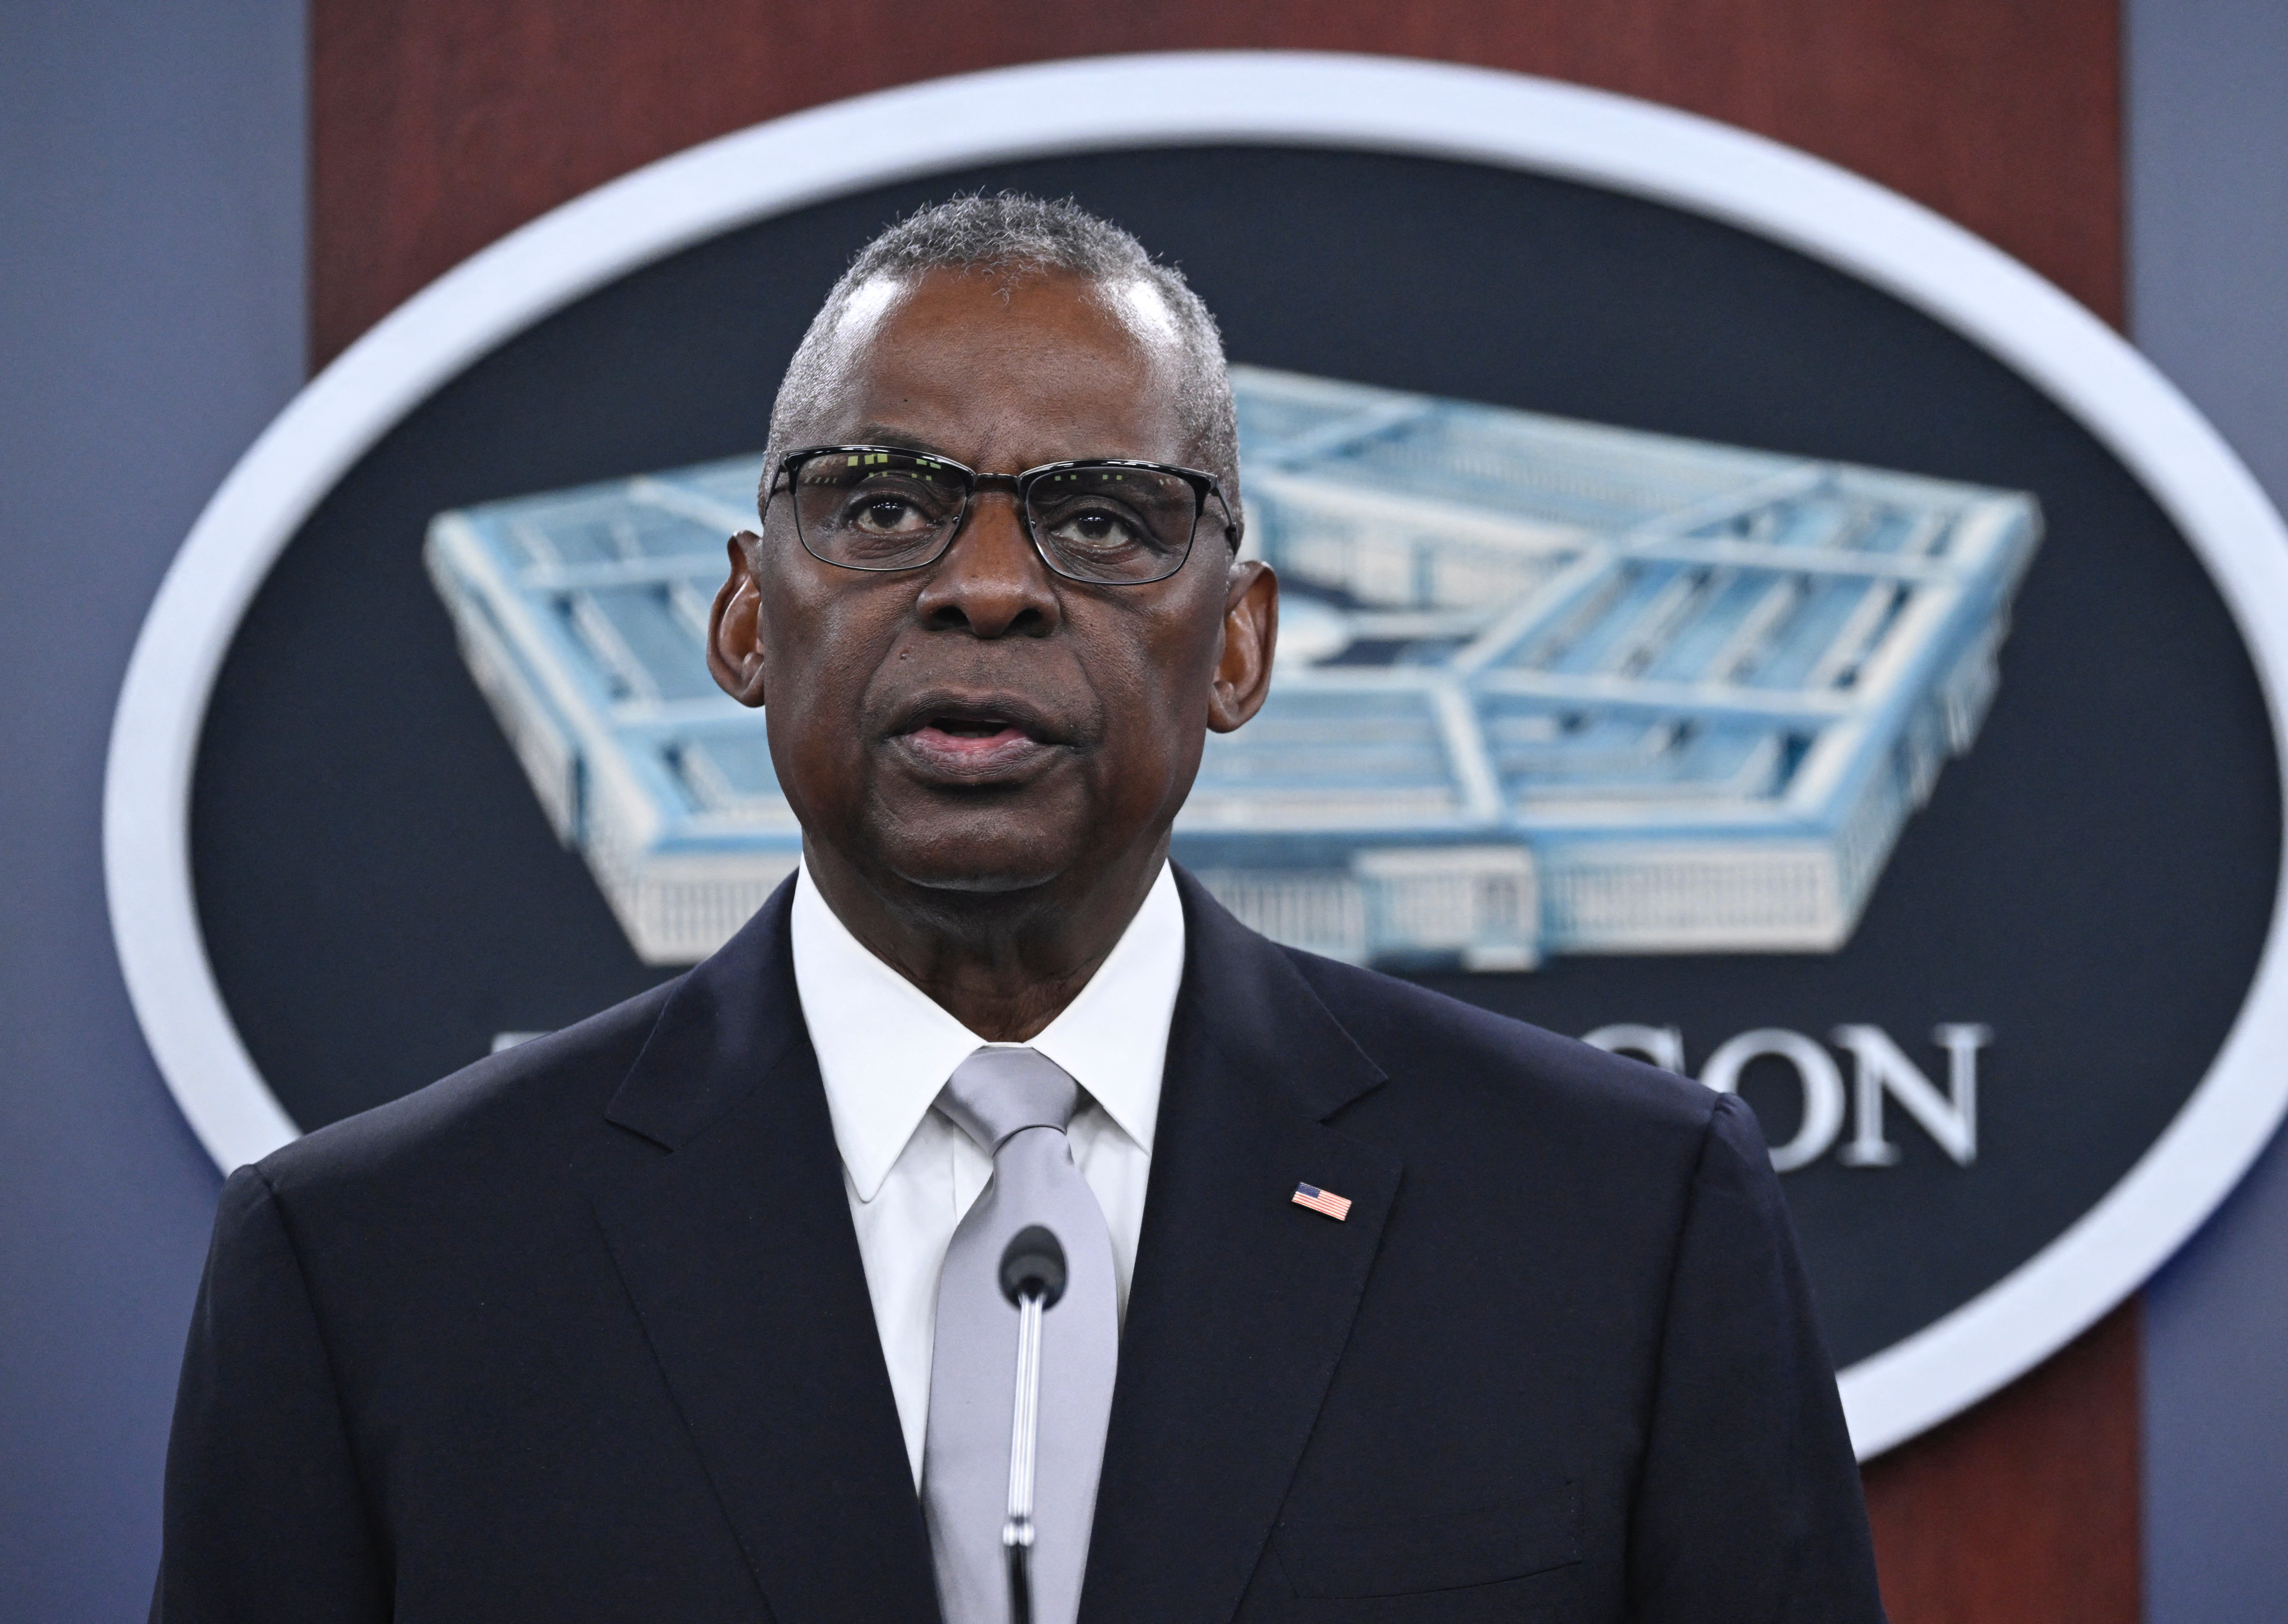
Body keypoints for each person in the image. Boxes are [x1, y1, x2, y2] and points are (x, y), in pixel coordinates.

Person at [153, 194, 1886, 1623]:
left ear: (1245, 642)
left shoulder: (1624, 1221)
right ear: (749, 622)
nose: (987, 588)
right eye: (886, 505)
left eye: (1104, 519)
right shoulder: (372, 1265)